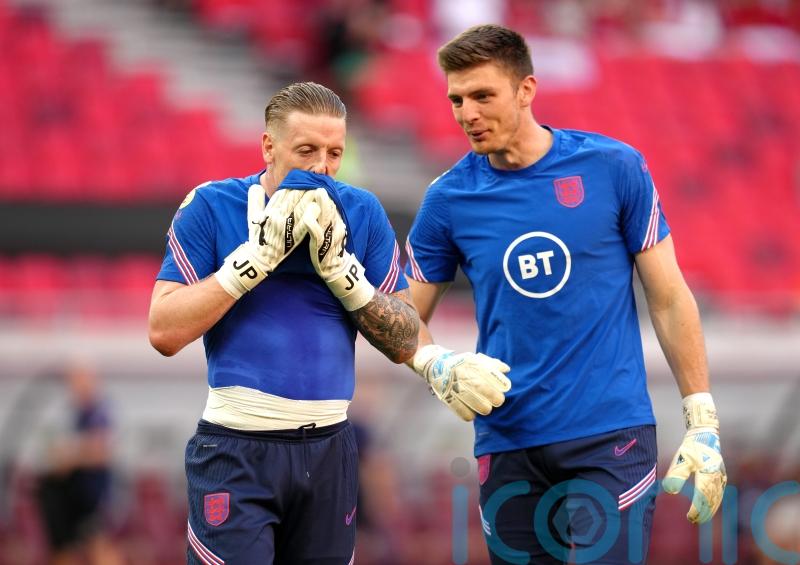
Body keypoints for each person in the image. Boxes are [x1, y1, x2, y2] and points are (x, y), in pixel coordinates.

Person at [403, 24, 727, 564]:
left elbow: (669, 297)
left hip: (610, 438)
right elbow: (402, 315)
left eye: (483, 96)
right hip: (506, 441)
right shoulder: (448, 199)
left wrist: (702, 417)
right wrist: (434, 362)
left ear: (526, 90)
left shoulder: (614, 167)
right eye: (456, 100)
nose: (467, 114)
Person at [148, 81, 419, 564]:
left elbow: (406, 340)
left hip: (330, 447)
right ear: (268, 147)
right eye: (306, 151)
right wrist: (251, 261)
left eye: (334, 153)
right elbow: (163, 331)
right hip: (236, 447)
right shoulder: (212, 205)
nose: (321, 167)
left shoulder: (362, 212)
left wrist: (346, 277)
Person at [36, 362, 124, 565]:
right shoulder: (76, 414)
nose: (76, 386)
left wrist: (72, 453)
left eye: (80, 380)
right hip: (73, 495)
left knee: (98, 545)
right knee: (66, 547)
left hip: (94, 495)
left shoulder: (99, 412)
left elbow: (102, 450)